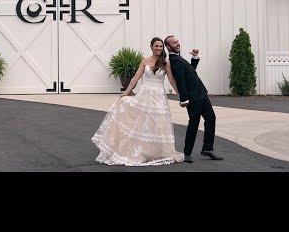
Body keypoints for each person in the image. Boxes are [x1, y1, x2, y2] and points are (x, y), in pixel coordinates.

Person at [91, 37, 184, 166]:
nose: (159, 48)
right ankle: (140, 152)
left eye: (161, 46)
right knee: (141, 123)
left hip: (158, 97)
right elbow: (136, 77)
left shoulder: (165, 62)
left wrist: (181, 94)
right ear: (151, 47)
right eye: (156, 46)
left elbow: (172, 80)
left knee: (157, 124)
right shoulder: (145, 61)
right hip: (144, 95)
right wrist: (126, 92)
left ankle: (155, 152)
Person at [165, 35, 224, 162]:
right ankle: (187, 153)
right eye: (174, 42)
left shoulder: (178, 58)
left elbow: (190, 72)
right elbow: (180, 81)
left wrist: (194, 58)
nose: (177, 43)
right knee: (194, 123)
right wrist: (184, 98)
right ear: (168, 46)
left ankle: (207, 149)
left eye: (177, 41)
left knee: (211, 119)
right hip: (193, 98)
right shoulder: (174, 60)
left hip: (201, 94)